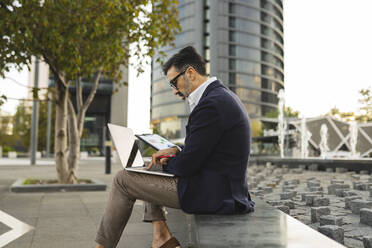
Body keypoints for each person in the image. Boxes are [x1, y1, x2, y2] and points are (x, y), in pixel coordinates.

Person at [95, 46, 254, 248]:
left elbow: (187, 166)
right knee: (150, 167)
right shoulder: (219, 97)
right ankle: (161, 237)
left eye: (173, 82)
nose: (174, 90)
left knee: (123, 180)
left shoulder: (211, 104)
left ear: (190, 73)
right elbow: (205, 147)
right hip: (220, 187)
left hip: (215, 193)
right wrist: (176, 151)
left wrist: (168, 161)